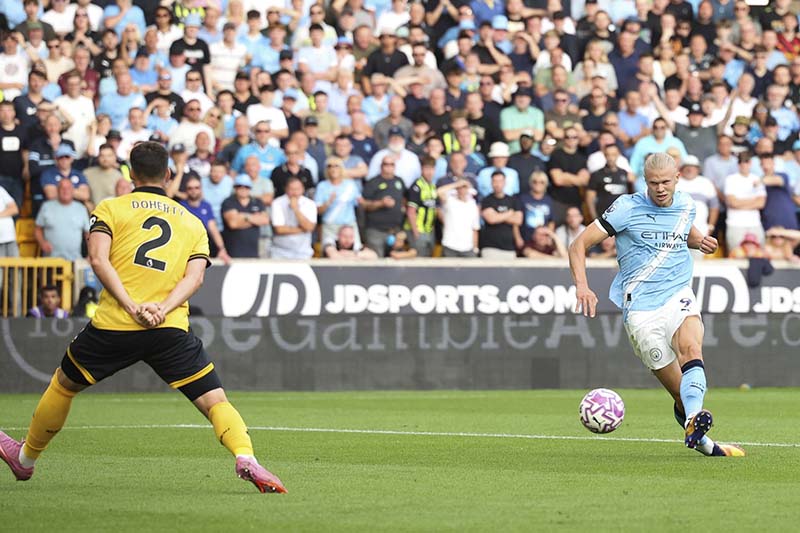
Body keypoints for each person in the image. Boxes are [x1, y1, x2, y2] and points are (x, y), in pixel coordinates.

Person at [0, 141, 287, 493]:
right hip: (168, 328)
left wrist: (132, 306)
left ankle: (25, 460)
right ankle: (246, 457)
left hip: (115, 326)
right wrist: (161, 309)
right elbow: (194, 278)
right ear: (168, 174)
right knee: (215, 402)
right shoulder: (192, 222)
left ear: (130, 173)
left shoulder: (110, 208)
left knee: (64, 384)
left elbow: (98, 260)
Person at [568, 152, 745, 458]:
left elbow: (682, 231)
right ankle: (703, 441)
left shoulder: (687, 204)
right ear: (644, 182)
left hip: (678, 294)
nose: (660, 188)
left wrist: (702, 240)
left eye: (665, 182)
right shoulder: (626, 208)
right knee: (679, 393)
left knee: (692, 348)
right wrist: (582, 286)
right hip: (640, 311)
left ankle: (693, 420)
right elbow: (578, 244)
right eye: (653, 183)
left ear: (677, 178)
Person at [35, 179, 90, 261]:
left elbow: (88, 234)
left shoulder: (81, 208)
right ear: (57, 190)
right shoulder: (46, 207)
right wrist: (42, 243)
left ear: (72, 190)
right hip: (50, 261)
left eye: (68, 188)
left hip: (74, 261)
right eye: (62, 188)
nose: (65, 191)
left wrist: (91, 253)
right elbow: (37, 229)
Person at [221, 174, 270, 259]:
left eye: (246, 187)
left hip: (254, 249)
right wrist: (254, 219)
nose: (243, 189)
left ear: (250, 188)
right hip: (233, 249)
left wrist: (244, 217)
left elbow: (265, 220)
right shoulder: (229, 202)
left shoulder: (257, 202)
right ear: (235, 188)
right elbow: (233, 224)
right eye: (240, 186)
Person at [270, 177, 318, 260]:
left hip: (303, 252)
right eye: (292, 189)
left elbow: (310, 227)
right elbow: (279, 229)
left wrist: (296, 209)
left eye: (297, 189)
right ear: (286, 189)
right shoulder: (277, 203)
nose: (295, 192)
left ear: (303, 189)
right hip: (280, 252)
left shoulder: (310, 204)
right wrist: (302, 229)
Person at [479, 171, 522, 259]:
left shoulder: (513, 200)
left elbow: (518, 220)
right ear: (491, 183)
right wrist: (509, 213)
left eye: (500, 181)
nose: (497, 184)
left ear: (504, 182)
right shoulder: (486, 200)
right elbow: (491, 219)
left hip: (509, 247)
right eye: (495, 181)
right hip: (490, 247)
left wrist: (497, 215)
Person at [438, 179, 480, 258]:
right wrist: (456, 184)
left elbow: (475, 229)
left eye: (464, 188)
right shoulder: (450, 201)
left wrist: (475, 248)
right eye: (460, 188)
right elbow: (439, 191)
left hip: (468, 248)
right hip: (450, 246)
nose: (462, 190)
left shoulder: (473, 205)